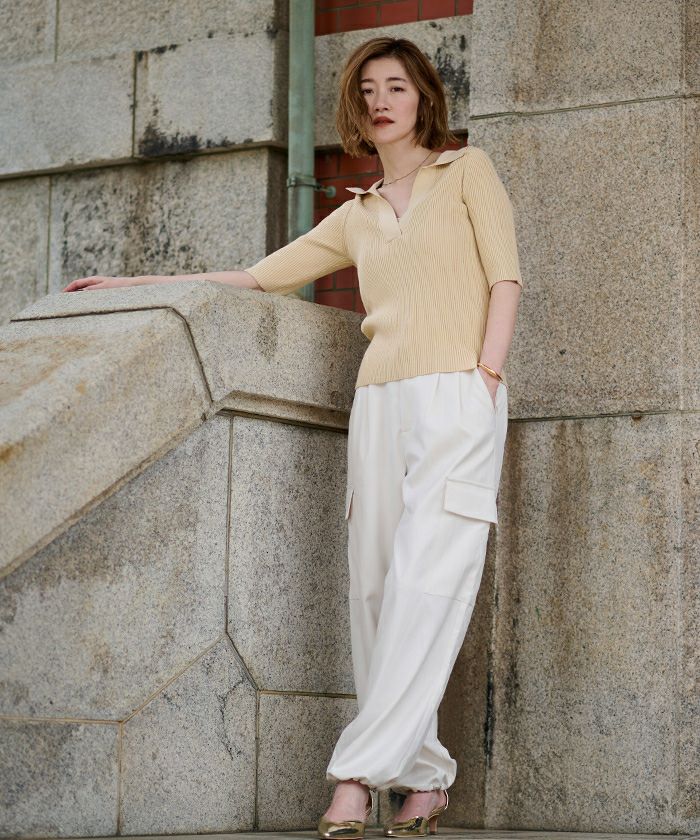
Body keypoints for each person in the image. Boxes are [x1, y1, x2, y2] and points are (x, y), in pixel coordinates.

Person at [63, 34, 523, 840]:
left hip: (457, 394)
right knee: (376, 590)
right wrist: (135, 282)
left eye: (397, 87)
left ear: (424, 97)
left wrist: (485, 376)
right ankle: (424, 779)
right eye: (368, 90)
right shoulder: (358, 213)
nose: (381, 101)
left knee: (429, 580)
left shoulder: (467, 171)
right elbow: (257, 277)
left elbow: (506, 277)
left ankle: (355, 775)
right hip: (378, 403)